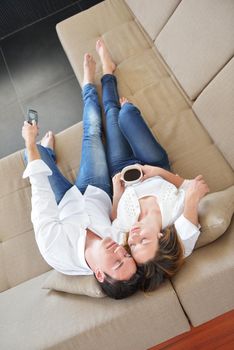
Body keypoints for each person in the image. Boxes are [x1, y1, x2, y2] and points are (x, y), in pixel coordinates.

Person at [22, 53, 143, 300]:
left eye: (117, 263)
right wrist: (117, 193)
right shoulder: (120, 240)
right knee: (92, 131)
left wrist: (31, 145)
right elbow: (114, 217)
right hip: (95, 189)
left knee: (30, 156)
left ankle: (46, 153)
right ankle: (88, 82)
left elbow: (41, 199)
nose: (120, 251)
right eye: (126, 256)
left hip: (63, 200)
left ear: (99, 275)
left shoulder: (57, 252)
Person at [95, 38, 210, 292]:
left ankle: (107, 70)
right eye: (143, 240)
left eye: (132, 247)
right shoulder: (175, 214)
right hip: (153, 164)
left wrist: (117, 194)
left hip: (122, 172)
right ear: (161, 237)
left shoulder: (125, 229)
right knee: (127, 115)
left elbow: (114, 217)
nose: (133, 238)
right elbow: (193, 187)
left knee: (112, 115)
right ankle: (128, 112)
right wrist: (157, 172)